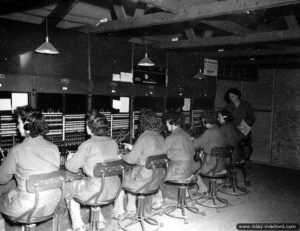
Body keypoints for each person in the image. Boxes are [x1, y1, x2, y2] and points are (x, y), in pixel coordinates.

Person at [0, 106, 61, 220]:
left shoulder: (17, 150)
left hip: (28, 207)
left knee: (3, 194)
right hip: (53, 203)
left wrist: (6, 163)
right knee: (14, 187)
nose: (17, 126)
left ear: (27, 125)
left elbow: (2, 178)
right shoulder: (54, 148)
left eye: (18, 123)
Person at [65, 110, 121, 231]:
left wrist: (70, 159)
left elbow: (71, 167)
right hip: (115, 190)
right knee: (95, 182)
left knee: (68, 187)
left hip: (96, 191)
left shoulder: (87, 144)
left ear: (90, 128)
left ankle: (78, 226)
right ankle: (100, 221)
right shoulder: (113, 142)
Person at [119, 113, 166, 215]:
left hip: (146, 178)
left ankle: (130, 209)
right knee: (136, 174)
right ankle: (158, 199)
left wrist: (121, 156)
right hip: (158, 177)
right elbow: (151, 152)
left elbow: (131, 159)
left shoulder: (144, 136)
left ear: (143, 124)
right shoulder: (160, 137)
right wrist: (134, 148)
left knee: (126, 177)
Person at [224, 88, 256, 186]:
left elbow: (252, 118)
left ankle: (247, 177)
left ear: (238, 96)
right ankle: (230, 178)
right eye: (229, 96)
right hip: (232, 134)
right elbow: (226, 120)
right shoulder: (228, 107)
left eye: (233, 96)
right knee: (231, 157)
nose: (231, 98)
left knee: (245, 157)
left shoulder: (246, 105)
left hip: (243, 134)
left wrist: (243, 126)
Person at [192, 112, 226, 196]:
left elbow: (196, 145)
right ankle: (218, 181)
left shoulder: (209, 132)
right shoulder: (219, 129)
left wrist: (192, 139)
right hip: (221, 164)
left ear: (205, 121)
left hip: (212, 165)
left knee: (191, 166)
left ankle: (203, 188)